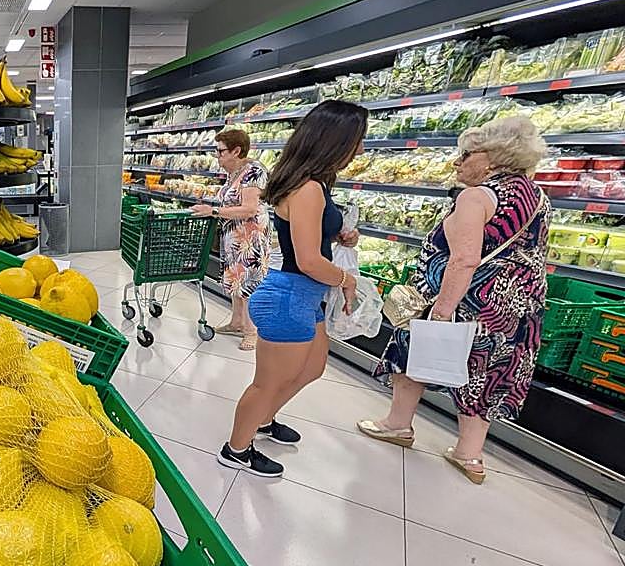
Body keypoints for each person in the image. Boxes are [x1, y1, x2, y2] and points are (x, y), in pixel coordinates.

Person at [359, 116, 550, 484]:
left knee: (415, 352)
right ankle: (470, 455)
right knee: (485, 376)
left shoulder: (477, 197)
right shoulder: (538, 196)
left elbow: (465, 258)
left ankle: (398, 424)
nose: (457, 162)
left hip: (466, 300)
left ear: (492, 156)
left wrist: (442, 311)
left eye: (466, 154)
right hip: (512, 310)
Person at [218, 100, 367, 478]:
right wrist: (347, 280)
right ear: (336, 141)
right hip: (290, 294)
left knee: (312, 367)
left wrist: (339, 234)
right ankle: (236, 449)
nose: (361, 150)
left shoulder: (313, 183)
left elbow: (310, 239)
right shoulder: (308, 188)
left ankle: (264, 421)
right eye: (358, 140)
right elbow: (308, 260)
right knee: (267, 383)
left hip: (305, 295)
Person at [190, 129, 269, 350]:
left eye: (220, 151)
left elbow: (249, 208)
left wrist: (213, 212)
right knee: (236, 281)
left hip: (249, 236)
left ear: (237, 150)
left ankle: (251, 331)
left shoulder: (253, 172)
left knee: (249, 283)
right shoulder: (234, 173)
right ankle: (236, 322)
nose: (217, 155)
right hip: (233, 235)